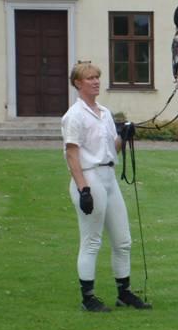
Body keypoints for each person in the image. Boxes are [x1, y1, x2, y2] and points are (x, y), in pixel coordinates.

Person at [61, 61, 151, 312]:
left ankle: (124, 293)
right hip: (90, 178)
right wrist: (83, 189)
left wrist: (124, 135)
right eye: (90, 78)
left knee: (123, 241)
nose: (96, 81)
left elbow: (113, 148)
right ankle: (88, 297)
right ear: (78, 83)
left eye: (97, 77)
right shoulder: (74, 116)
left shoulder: (104, 112)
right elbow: (72, 154)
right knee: (91, 241)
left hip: (109, 177)